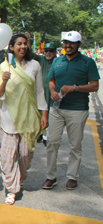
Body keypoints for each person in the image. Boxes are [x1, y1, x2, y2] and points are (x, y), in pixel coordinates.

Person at [0, 33, 48, 205]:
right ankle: (11, 188)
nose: (23, 46)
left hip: (29, 118)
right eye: (19, 44)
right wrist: (3, 81)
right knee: (8, 156)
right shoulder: (4, 66)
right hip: (9, 118)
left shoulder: (34, 66)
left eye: (25, 44)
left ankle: (19, 179)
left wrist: (44, 114)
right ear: (11, 47)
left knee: (25, 155)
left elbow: (39, 91)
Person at [42, 31, 100, 190]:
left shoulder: (87, 62)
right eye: (66, 42)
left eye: (72, 43)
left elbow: (95, 86)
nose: (68, 46)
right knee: (52, 142)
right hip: (57, 109)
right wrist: (53, 91)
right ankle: (50, 176)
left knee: (75, 145)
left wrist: (75, 88)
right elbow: (51, 81)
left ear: (79, 44)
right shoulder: (57, 61)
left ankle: (72, 176)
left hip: (78, 109)